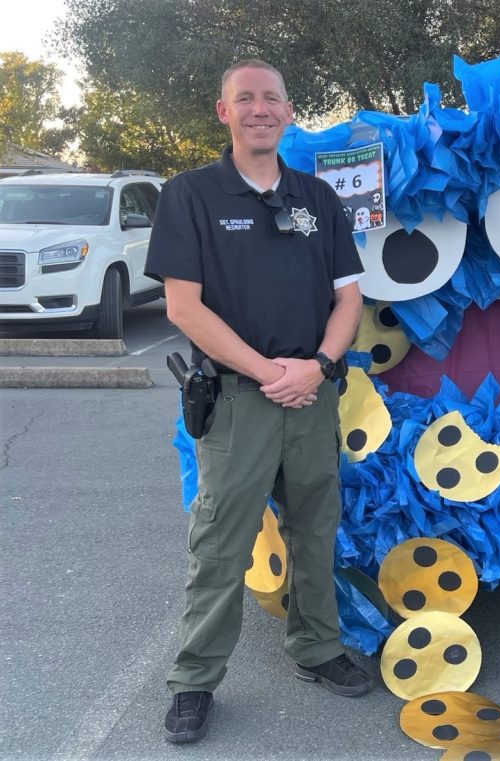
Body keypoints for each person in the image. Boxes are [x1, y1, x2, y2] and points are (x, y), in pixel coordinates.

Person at [145, 59, 369, 744]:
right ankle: (193, 680)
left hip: (313, 395)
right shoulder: (191, 195)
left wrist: (321, 366)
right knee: (221, 542)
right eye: (245, 98)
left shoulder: (318, 197)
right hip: (241, 399)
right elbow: (184, 306)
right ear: (224, 112)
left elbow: (349, 297)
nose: (259, 108)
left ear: (290, 110)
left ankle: (317, 647)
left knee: (314, 528)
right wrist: (270, 371)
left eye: (271, 97)